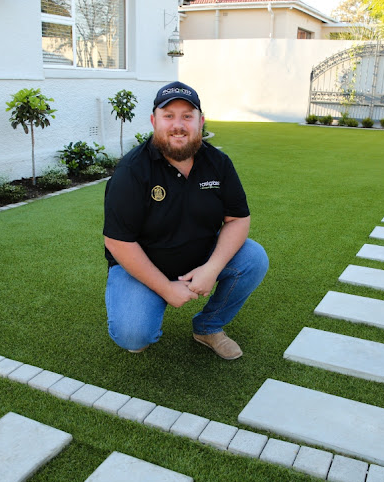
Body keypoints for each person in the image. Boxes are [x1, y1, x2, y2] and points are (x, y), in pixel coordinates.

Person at [102, 81, 268, 360]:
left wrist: (212, 268)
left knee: (254, 257)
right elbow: (118, 241)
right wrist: (166, 288)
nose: (178, 125)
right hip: (143, 263)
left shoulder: (218, 163)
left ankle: (208, 326)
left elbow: (237, 218)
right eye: (169, 116)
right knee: (134, 335)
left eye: (187, 116)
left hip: (199, 255)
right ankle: (147, 304)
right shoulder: (132, 170)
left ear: (200, 122)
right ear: (154, 121)